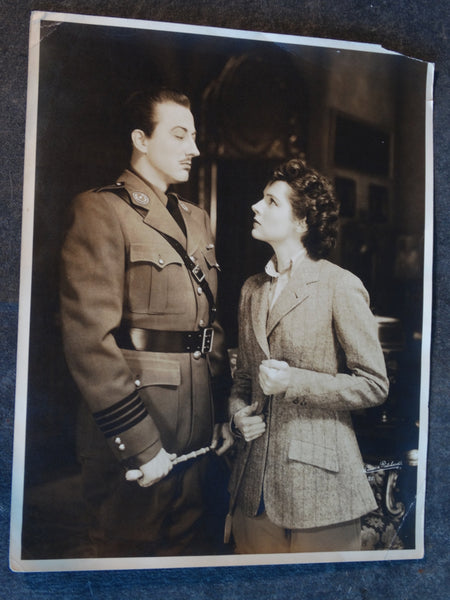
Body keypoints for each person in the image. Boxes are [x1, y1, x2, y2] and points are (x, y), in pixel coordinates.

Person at [60, 87, 233, 557]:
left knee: (188, 563)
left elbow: (208, 329)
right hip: (141, 437)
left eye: (194, 136)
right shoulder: (102, 210)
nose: (193, 149)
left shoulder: (197, 220)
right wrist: (140, 444)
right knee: (127, 563)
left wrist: (218, 414)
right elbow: (89, 342)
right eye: (179, 135)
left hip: (198, 439)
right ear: (141, 138)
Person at [227, 158, 389, 554]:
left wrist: (294, 382)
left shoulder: (340, 286)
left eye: (270, 202)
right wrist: (236, 417)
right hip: (254, 491)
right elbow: (244, 381)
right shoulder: (252, 289)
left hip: (322, 490)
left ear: (302, 223)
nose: (256, 207)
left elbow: (374, 385)